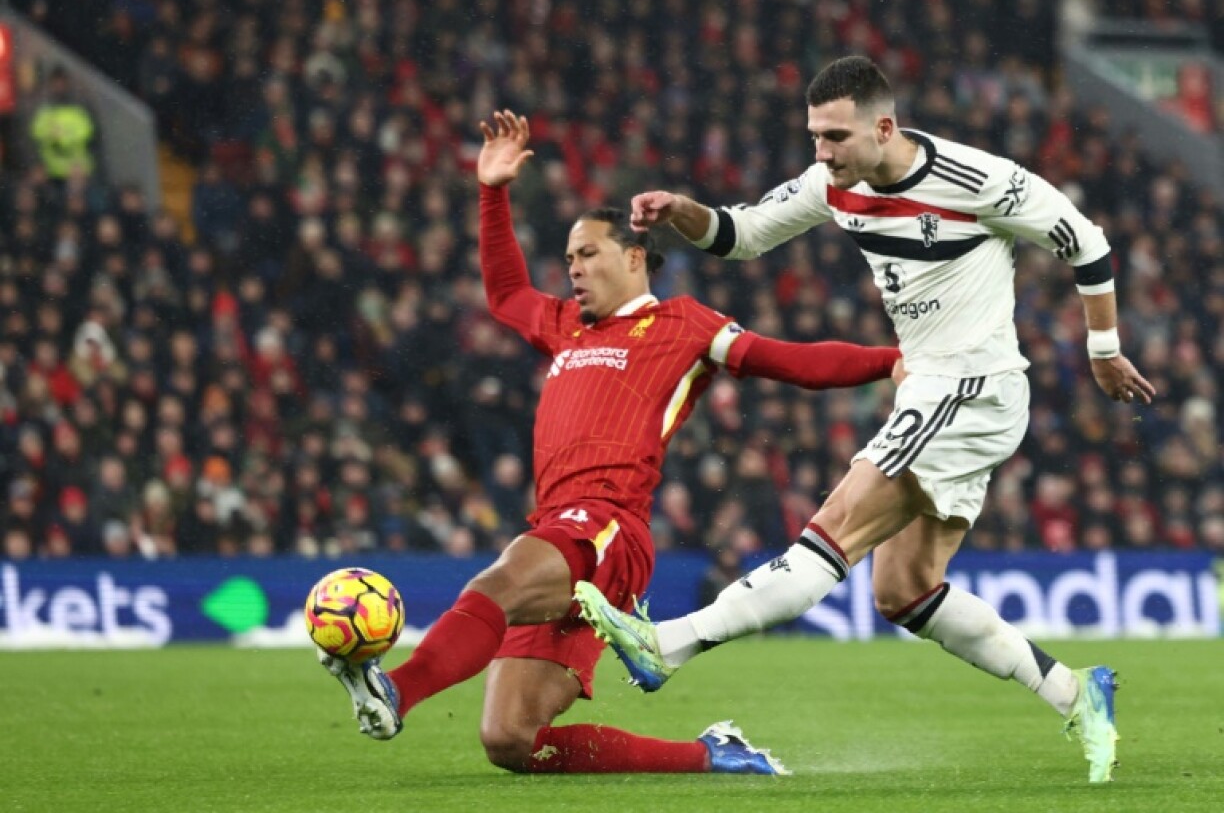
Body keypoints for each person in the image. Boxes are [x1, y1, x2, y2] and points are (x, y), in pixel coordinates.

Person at [574, 56, 1154, 784]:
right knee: (903, 591)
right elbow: (741, 233)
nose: (822, 153)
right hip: (935, 391)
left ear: (884, 127)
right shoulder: (833, 184)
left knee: (834, 527)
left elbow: (1086, 242)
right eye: (815, 136)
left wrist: (1104, 351)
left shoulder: (977, 180)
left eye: (836, 137)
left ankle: (670, 645)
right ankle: (1077, 691)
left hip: (970, 387)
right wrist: (678, 209)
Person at [319, 109, 904, 775]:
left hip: (608, 527)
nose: (573, 269)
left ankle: (396, 689)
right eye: (568, 258)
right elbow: (508, 293)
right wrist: (492, 190)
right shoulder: (567, 325)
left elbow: (794, 361)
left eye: (588, 254)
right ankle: (714, 757)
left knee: (499, 580)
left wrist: (890, 360)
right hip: (563, 530)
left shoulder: (684, 325)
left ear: (632, 256)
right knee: (511, 738)